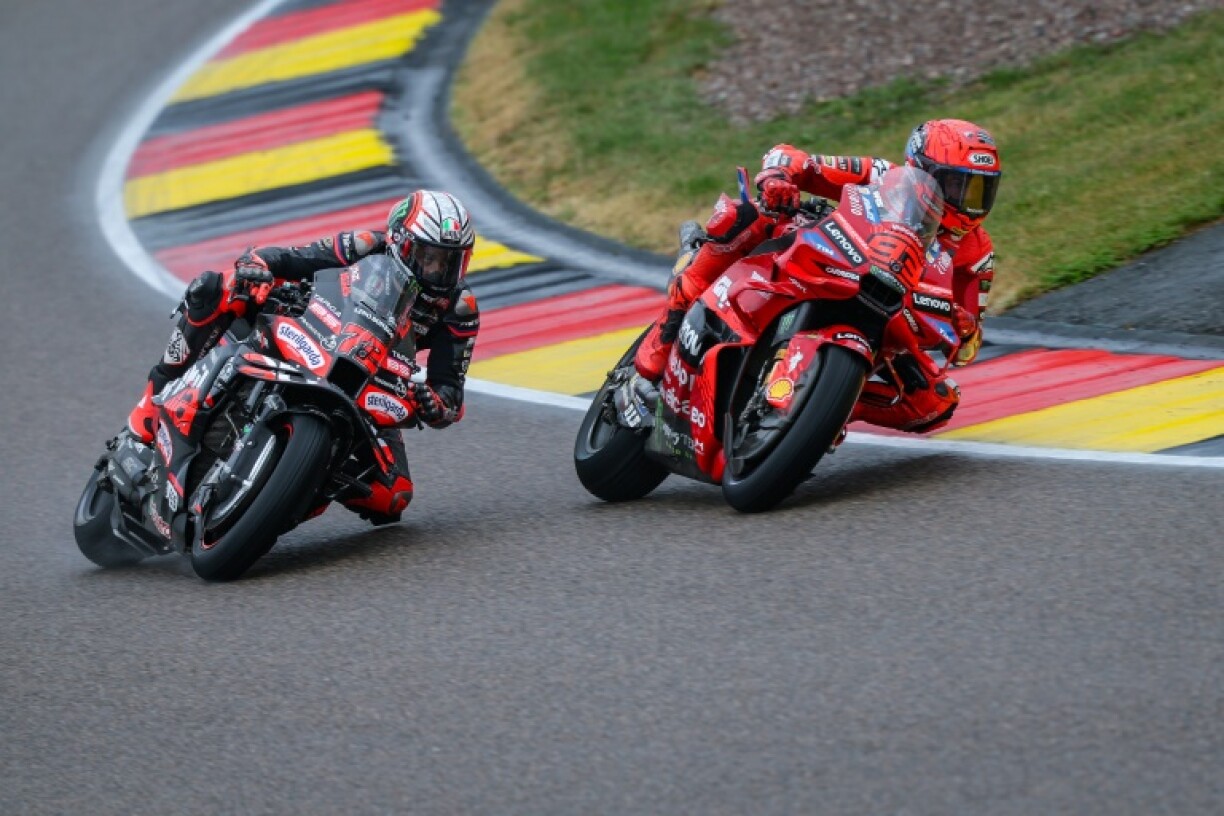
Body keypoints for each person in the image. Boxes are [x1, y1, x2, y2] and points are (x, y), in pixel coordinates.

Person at [125, 190, 480, 524]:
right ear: (400, 242)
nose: (439, 271)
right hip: (311, 328)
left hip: (372, 379)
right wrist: (257, 264)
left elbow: (450, 390)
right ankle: (146, 411)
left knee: (393, 496)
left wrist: (435, 404)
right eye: (429, 257)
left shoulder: (459, 308)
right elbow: (291, 258)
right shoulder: (364, 246)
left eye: (451, 261)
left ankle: (288, 495)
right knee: (217, 287)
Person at [630, 118, 1002, 433]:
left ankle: (826, 409)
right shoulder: (882, 175)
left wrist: (966, 328)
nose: (969, 200)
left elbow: (967, 348)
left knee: (937, 403)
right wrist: (778, 177)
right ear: (922, 170)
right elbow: (796, 160)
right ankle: (654, 359)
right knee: (744, 217)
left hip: (892, 318)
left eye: (981, 190)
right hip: (830, 259)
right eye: (958, 185)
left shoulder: (977, 252)